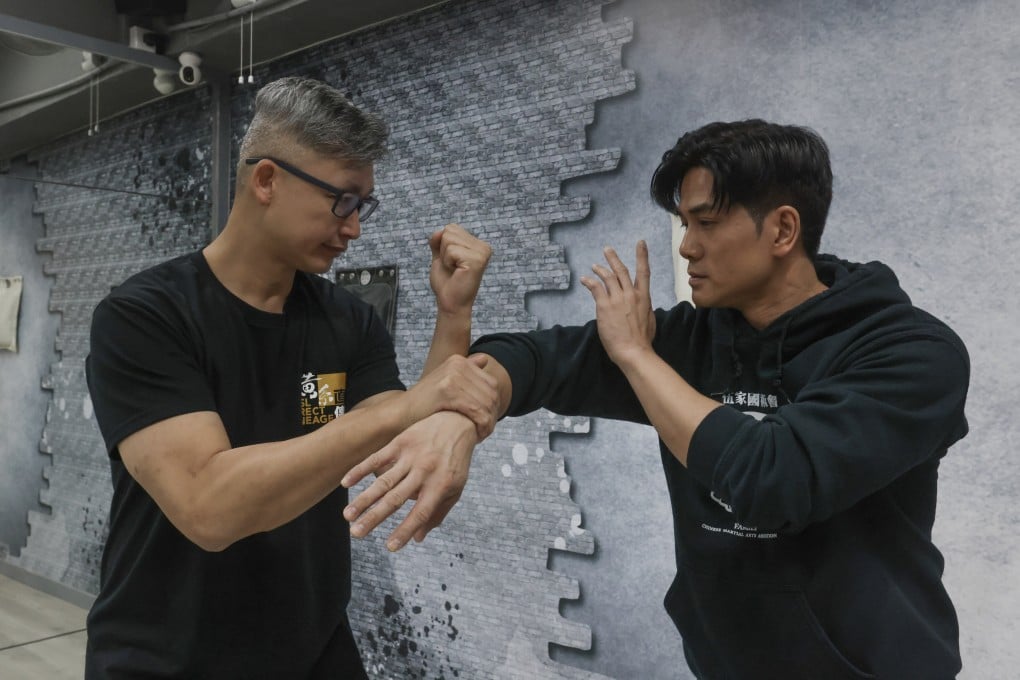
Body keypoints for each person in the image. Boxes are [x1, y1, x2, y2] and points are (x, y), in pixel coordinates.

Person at [343, 120, 970, 679]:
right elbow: (533, 360)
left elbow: (774, 478)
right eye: (682, 223)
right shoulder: (691, 339)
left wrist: (637, 358)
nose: (688, 247)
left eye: (706, 221)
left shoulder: (910, 353)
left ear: (782, 229)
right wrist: (460, 414)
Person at [84, 76, 498, 679]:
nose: (355, 228)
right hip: (165, 656)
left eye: (363, 206)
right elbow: (208, 507)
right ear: (267, 180)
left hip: (310, 647)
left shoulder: (347, 322)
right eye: (343, 201)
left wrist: (454, 314)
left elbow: (404, 446)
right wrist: (397, 410)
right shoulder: (144, 316)